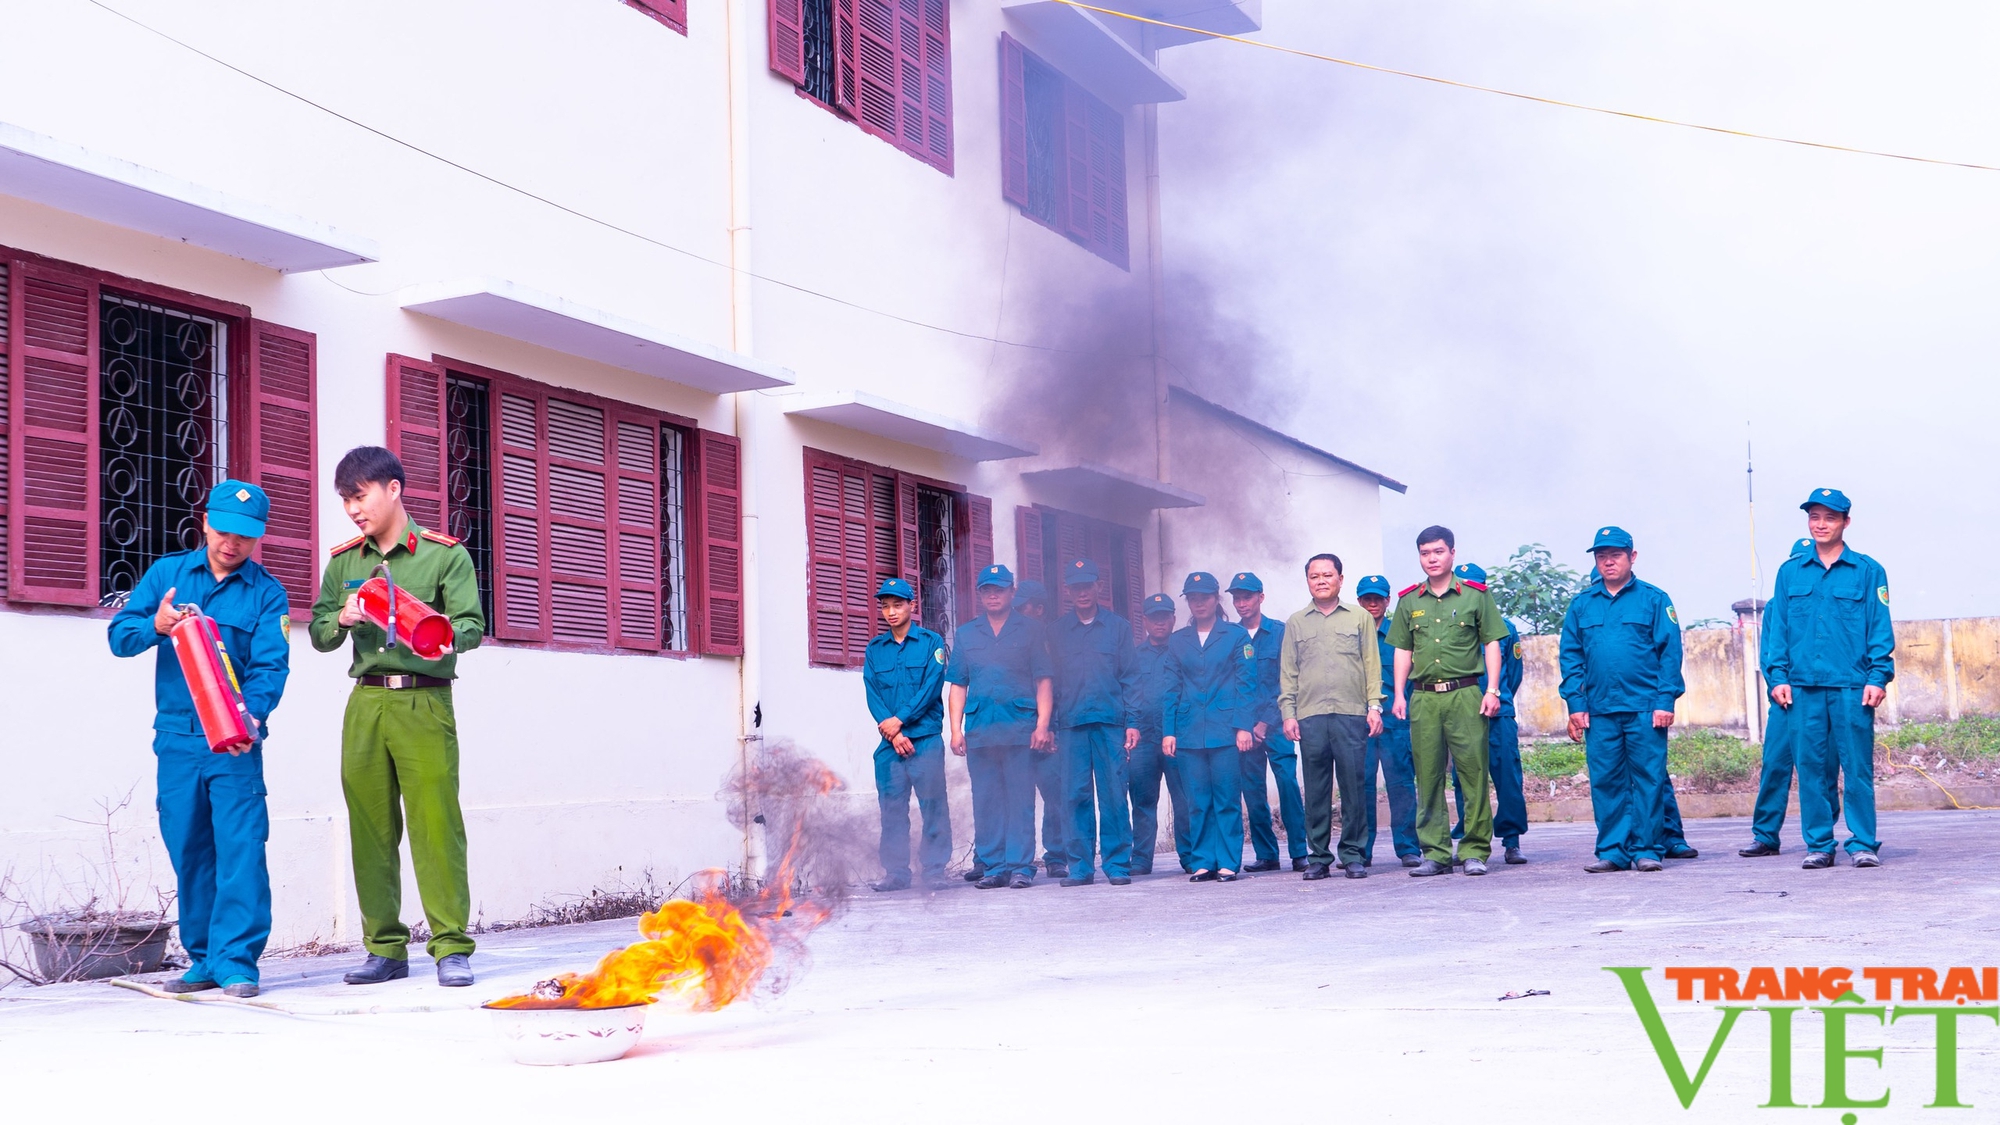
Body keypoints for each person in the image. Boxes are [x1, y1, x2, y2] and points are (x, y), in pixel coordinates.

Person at [107, 481, 291, 999]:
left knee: (240, 850)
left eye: (247, 537)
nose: (233, 544)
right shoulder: (167, 574)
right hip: (178, 741)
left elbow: (270, 668)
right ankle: (203, 959)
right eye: (226, 531)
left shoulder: (267, 593)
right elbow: (120, 638)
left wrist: (248, 722)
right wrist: (157, 625)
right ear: (205, 522)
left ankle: (236, 963)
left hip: (232, 744)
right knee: (189, 848)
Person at [309, 447, 485, 987]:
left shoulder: (444, 556)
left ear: (392, 489)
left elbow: (472, 627)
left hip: (424, 699)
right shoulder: (344, 562)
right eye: (345, 501)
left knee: (436, 824)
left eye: (359, 497)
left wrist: (421, 622)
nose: (353, 509)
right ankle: (384, 948)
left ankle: (451, 946)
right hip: (366, 702)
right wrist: (342, 615)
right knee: (370, 827)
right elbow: (318, 634)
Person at [1748, 489, 1894, 869]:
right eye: (1814, 517)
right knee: (1811, 768)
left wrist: (1878, 677)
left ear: (1846, 521)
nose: (1821, 524)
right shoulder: (1789, 572)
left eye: (1830, 517)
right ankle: (1819, 845)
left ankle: (1862, 842)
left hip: (1851, 685)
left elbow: (1879, 627)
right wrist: (1776, 676)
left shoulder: (1868, 571)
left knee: (1857, 768)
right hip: (1802, 688)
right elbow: (1777, 629)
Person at [1558, 526, 1685, 873]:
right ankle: (1612, 850)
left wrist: (1665, 700)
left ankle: (1647, 848)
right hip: (1600, 711)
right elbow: (1571, 657)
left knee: (1648, 778)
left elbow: (1670, 654)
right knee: (1606, 780)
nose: (1608, 562)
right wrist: (1576, 705)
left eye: (1615, 555)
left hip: (1645, 708)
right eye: (1601, 556)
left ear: (1632, 557)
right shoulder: (1582, 605)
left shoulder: (1654, 599)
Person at [1389, 526, 1508, 877]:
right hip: (1424, 698)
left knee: (1472, 774)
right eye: (1425, 553)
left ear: (1452, 553)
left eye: (1438, 551)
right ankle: (1436, 852)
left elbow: (1491, 644)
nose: (1432, 558)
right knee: (1427, 777)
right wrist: (1398, 693)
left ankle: (1474, 850)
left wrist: (1493, 689)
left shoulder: (1475, 596)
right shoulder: (1409, 601)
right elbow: (1403, 648)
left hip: (1466, 694)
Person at [946, 564, 1055, 889]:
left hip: (1021, 730)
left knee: (1021, 799)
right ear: (980, 595)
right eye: (987, 590)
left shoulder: (1031, 631)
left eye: (999, 589)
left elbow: (1044, 680)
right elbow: (958, 686)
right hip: (981, 733)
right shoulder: (966, 634)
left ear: (1011, 592)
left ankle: (1021, 866)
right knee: (987, 801)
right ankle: (994, 866)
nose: (993, 595)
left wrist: (1042, 724)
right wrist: (955, 729)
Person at [1278, 554, 1383, 880]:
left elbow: (1371, 664)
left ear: (1340, 578)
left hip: (1351, 714)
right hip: (1310, 717)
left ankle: (1352, 854)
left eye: (1327, 575)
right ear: (1308, 581)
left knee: (1353, 787)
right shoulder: (1297, 621)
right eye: (1314, 576)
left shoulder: (1359, 617)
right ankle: (1318, 858)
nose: (1321, 581)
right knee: (1316, 789)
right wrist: (1288, 714)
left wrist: (1374, 706)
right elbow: (1288, 672)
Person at [1048, 559, 1141, 886]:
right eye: (1076, 587)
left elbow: (1130, 677)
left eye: (1088, 585)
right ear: (1068, 591)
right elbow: (1052, 683)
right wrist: (1050, 725)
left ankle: (1117, 865)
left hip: (1110, 723)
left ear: (1098, 586)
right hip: (1071, 725)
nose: (1082, 592)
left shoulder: (1118, 628)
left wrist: (1133, 721)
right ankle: (1080, 867)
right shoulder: (1057, 632)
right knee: (1074, 795)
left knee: (1114, 793)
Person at [1738, 534, 1830, 857]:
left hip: (1821, 698)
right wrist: (1779, 684)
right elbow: (1770, 652)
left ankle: (1822, 836)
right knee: (1775, 764)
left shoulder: (1828, 598)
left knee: (1822, 766)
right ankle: (1765, 834)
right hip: (1785, 700)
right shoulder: (1778, 605)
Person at [1162, 573, 1256, 882]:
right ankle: (1203, 860)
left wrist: (1243, 726)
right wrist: (1169, 730)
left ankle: (1228, 861)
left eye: (1204, 596)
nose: (1199, 602)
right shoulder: (1177, 640)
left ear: (1217, 598)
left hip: (1225, 730)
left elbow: (1246, 684)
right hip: (1189, 732)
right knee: (1197, 801)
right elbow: (1171, 687)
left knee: (1226, 798)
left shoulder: (1236, 635)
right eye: (1193, 597)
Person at [862, 578, 952, 892]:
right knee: (892, 808)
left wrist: (900, 720)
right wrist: (893, 732)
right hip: (890, 743)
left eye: (897, 604)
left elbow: (931, 688)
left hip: (925, 739)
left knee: (933, 804)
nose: (890, 612)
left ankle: (935, 870)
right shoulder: (875, 649)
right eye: (885, 606)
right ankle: (896, 873)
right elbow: (873, 694)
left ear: (912, 605)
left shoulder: (932, 643)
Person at [1447, 563, 1529, 865]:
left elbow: (1514, 672)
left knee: (1507, 777)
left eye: (1476, 587)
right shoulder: (1449, 625)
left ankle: (1511, 841)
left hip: (1499, 715)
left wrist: (1497, 696)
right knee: (1464, 780)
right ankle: (1469, 840)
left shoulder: (1505, 627)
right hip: (1461, 715)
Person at [1228, 573, 1309, 873]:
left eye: (1247, 596)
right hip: (1244, 730)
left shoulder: (1280, 632)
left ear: (1261, 597)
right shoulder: (1230, 635)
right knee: (1253, 791)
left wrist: (1264, 722)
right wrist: (1245, 726)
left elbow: (1289, 680)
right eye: (1236, 598)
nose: (1241, 603)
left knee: (1287, 785)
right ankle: (1267, 854)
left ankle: (1300, 852)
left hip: (1276, 726)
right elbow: (1231, 686)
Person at [1355, 575, 1421, 868]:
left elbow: (1413, 678)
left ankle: (1407, 847)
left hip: (1395, 722)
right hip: (1360, 723)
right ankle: (1361, 850)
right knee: (1361, 786)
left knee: (1401, 784)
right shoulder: (1351, 633)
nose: (1372, 604)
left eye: (1378, 598)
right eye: (1367, 599)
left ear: (1387, 600)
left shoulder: (1401, 635)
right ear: (1358, 602)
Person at [1127, 594, 1193, 875]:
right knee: (1142, 801)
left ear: (1173, 619)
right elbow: (1126, 694)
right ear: (1145, 621)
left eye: (1165, 617)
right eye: (1154, 617)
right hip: (1143, 739)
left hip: (1177, 738)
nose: (1160, 622)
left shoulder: (1184, 651)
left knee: (1184, 800)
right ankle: (1141, 859)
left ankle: (1190, 857)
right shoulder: (1134, 656)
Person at [1013, 579, 1070, 879]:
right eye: (1017, 608)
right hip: (1018, 729)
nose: (1020, 613)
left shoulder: (1054, 642)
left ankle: (1056, 856)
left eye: (1025, 608)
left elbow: (1061, 687)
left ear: (1039, 608)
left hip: (1050, 730)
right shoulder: (1011, 638)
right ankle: (1002, 859)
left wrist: (1050, 727)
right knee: (1013, 797)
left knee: (1055, 797)